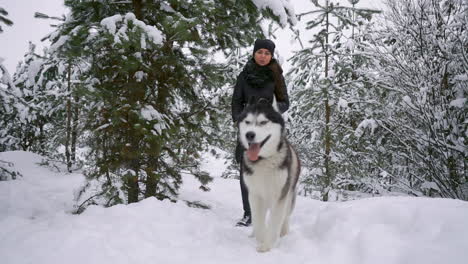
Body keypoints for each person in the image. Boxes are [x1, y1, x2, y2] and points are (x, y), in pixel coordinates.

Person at [231, 39, 290, 226]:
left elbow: (285, 102)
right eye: (260, 52)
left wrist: (271, 108)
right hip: (248, 130)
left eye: (267, 53)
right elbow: (235, 102)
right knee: (247, 171)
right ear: (254, 53)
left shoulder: (276, 77)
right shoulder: (244, 76)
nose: (263, 56)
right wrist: (241, 119)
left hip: (268, 131)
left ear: (271, 56)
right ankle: (249, 214)